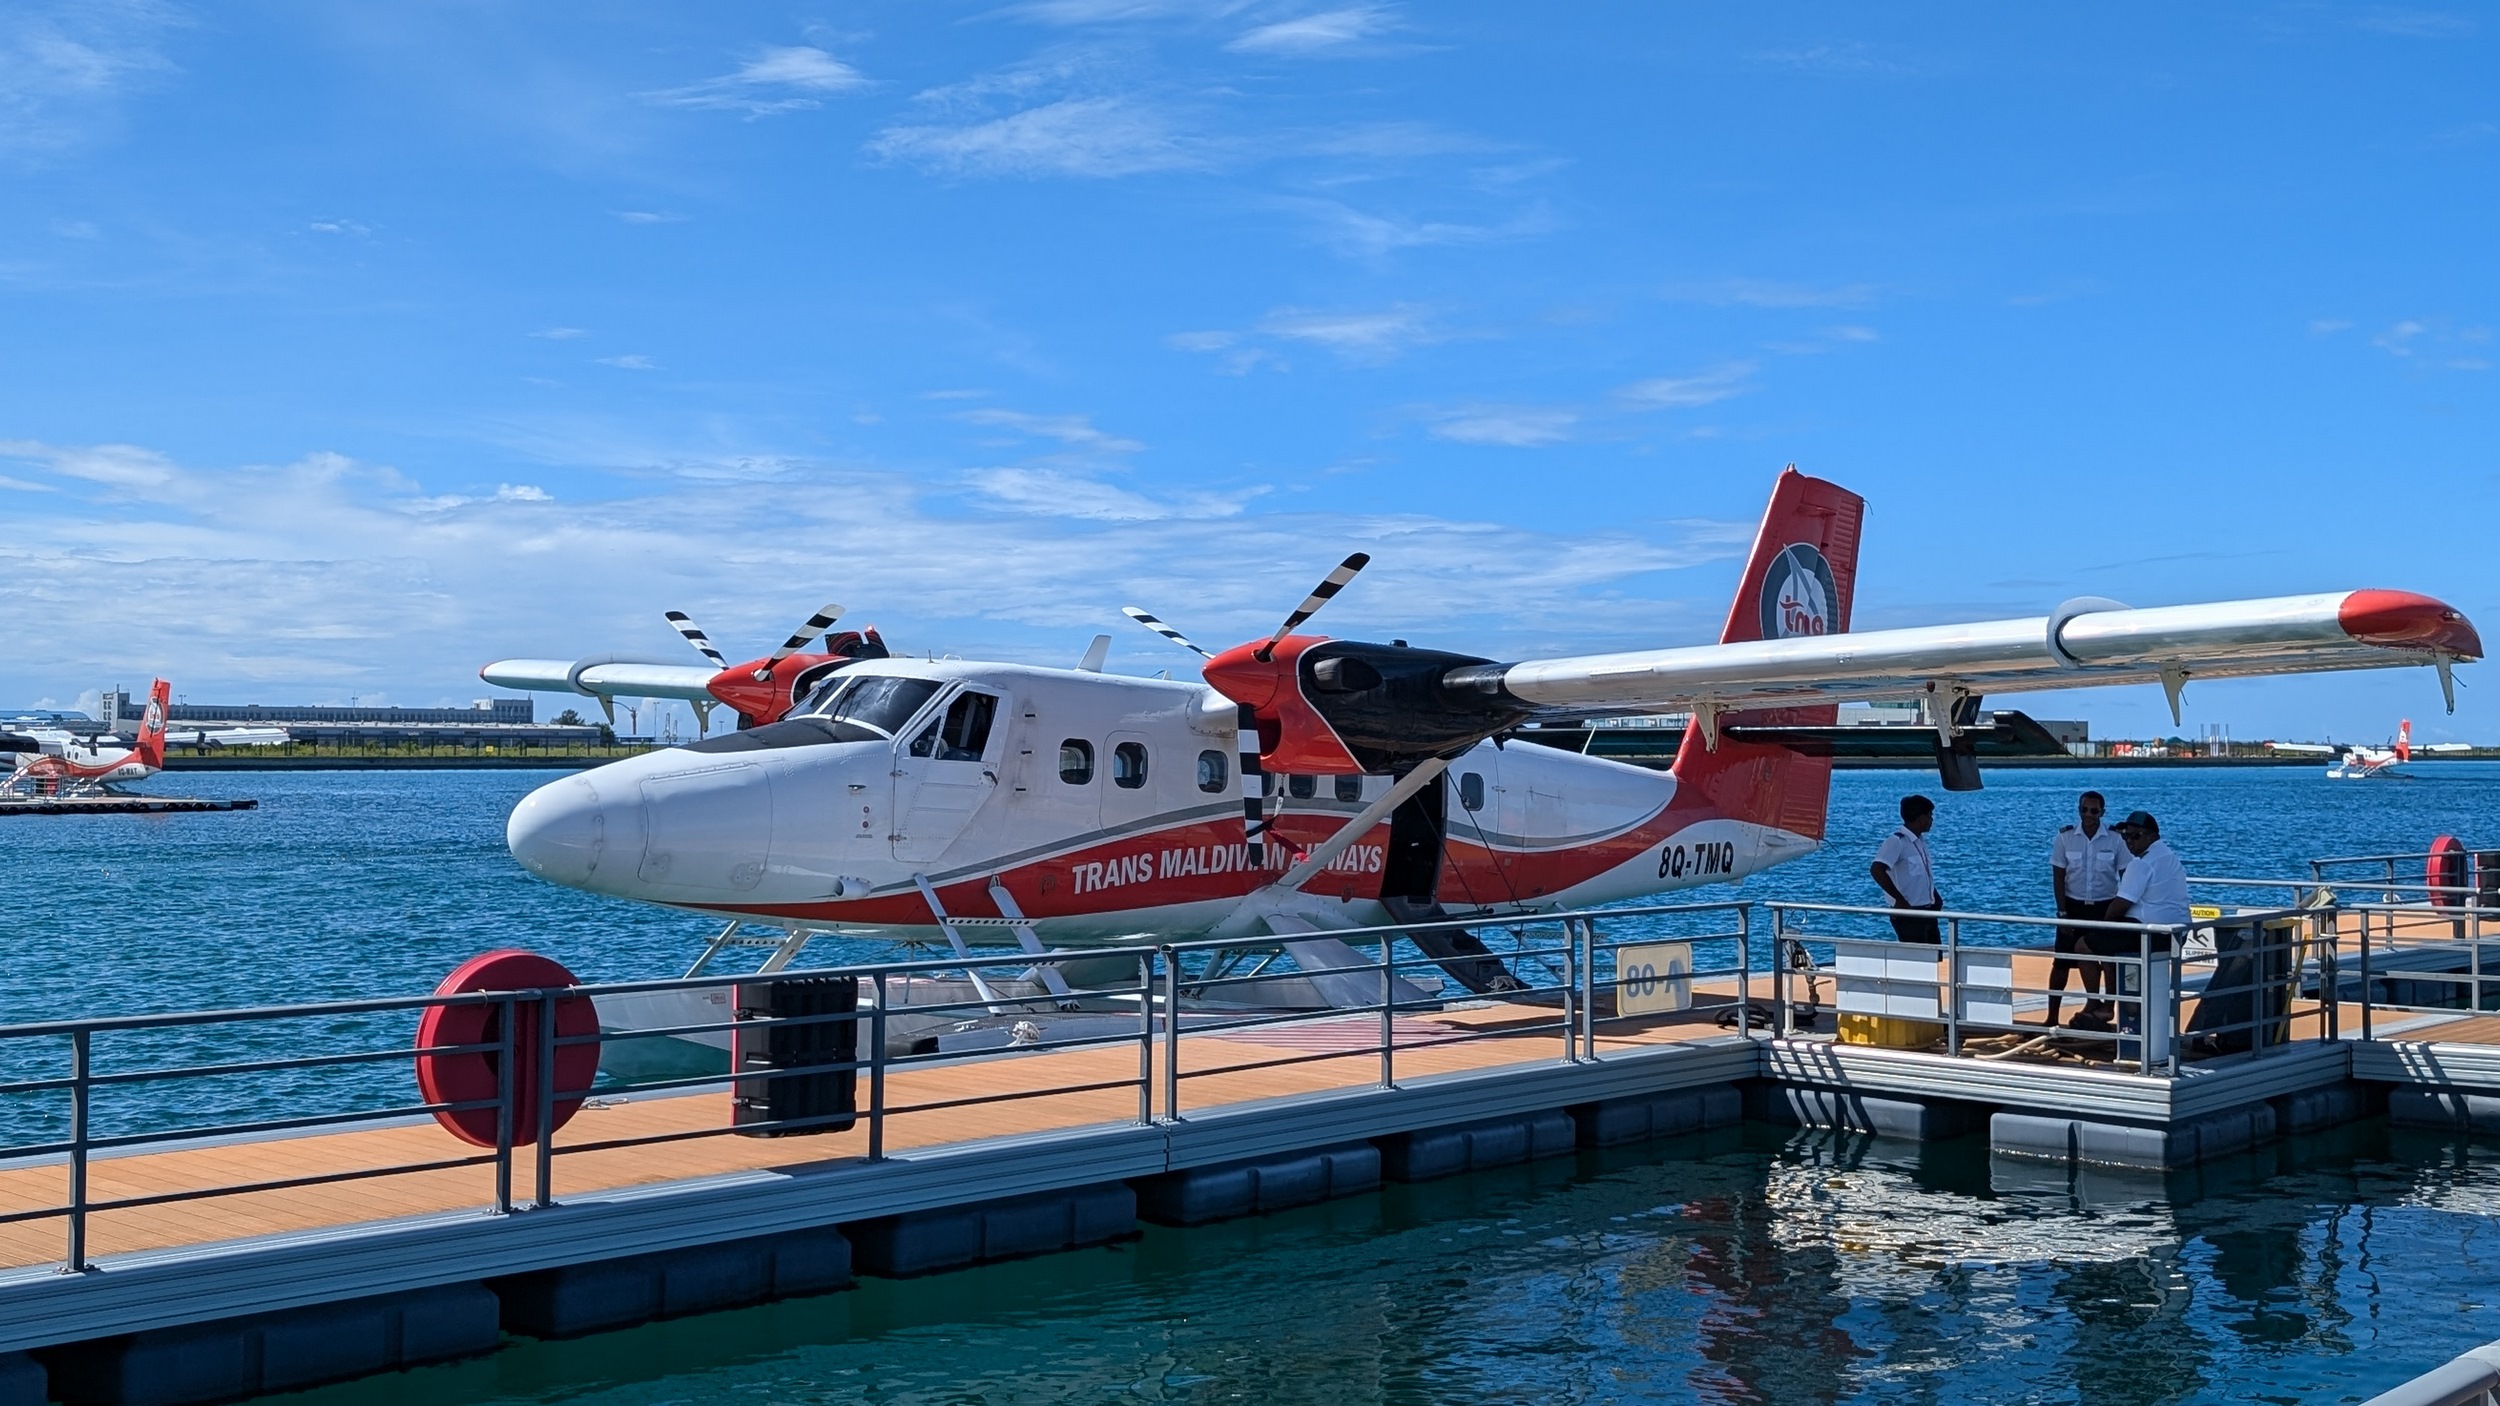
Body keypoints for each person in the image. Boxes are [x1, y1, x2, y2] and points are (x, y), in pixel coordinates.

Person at [2098, 810, 2192, 1040]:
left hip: (2150, 933)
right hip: (2177, 932)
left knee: (2086, 945)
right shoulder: (2169, 856)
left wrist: (2101, 927)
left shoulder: (2142, 863)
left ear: (2151, 836)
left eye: (2135, 836)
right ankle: (2124, 1011)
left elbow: (2120, 904)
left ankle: (2104, 1006)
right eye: (2125, 837)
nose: (2129, 841)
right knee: (2106, 943)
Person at [2047, 791, 2131, 1027]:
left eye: (2094, 811)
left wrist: (2124, 910)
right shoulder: (2065, 838)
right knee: (2061, 962)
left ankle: (2105, 1006)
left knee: (2107, 960)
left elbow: (2127, 876)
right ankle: (2052, 1016)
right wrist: (2062, 911)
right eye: (2084, 809)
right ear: (2079, 810)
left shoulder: (2115, 839)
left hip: (2105, 907)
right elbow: (2058, 876)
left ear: (2102, 813)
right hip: (2073, 906)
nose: (2088, 815)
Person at [1871, 795, 1942, 943]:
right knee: (1916, 957)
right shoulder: (1897, 841)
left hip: (1927, 911)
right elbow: (1877, 869)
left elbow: (1922, 874)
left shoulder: (1919, 841)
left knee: (1934, 955)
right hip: (1909, 912)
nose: (1931, 820)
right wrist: (1899, 900)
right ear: (1921, 818)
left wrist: (1934, 895)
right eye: (1930, 816)